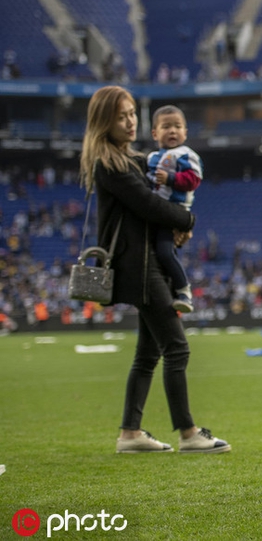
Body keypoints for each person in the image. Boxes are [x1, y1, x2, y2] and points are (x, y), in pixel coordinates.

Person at [80, 86, 230, 454]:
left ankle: (130, 433)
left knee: (148, 354)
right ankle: (188, 432)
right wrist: (187, 217)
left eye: (132, 114)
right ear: (104, 122)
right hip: (140, 266)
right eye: (121, 116)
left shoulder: (129, 160)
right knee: (176, 348)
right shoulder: (111, 164)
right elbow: (149, 204)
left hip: (146, 263)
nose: (130, 121)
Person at [146, 105, 203, 313]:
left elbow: (194, 180)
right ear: (154, 133)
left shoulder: (186, 155)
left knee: (165, 252)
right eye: (166, 126)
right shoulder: (151, 157)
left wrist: (171, 178)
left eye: (177, 126)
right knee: (158, 254)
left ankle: (183, 291)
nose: (172, 131)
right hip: (155, 213)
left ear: (185, 132)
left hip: (173, 211)